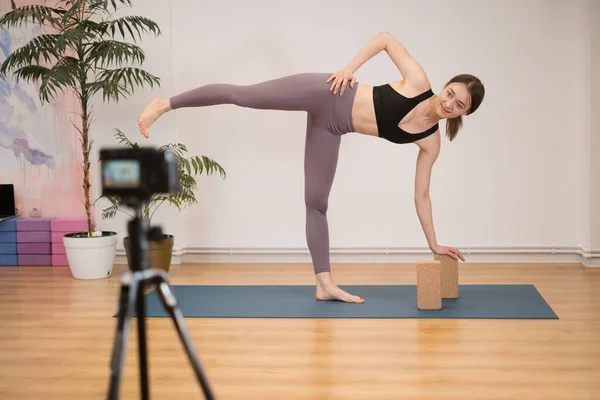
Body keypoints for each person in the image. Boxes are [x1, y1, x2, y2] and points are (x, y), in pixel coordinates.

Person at [138, 31, 485, 304]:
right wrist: (350, 69)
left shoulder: (430, 141)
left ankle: (324, 284)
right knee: (244, 96)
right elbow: (385, 39)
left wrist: (434, 243)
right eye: (451, 92)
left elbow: (421, 195)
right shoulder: (418, 82)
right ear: (445, 85)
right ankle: (165, 103)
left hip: (331, 128)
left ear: (464, 113)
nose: (450, 102)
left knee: (316, 203)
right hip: (327, 93)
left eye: (459, 104)